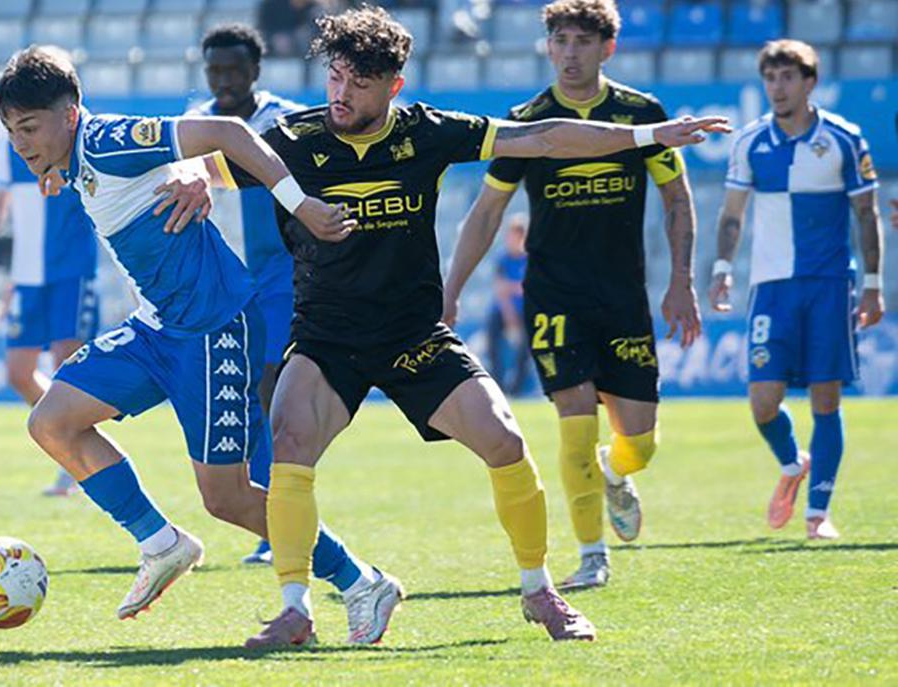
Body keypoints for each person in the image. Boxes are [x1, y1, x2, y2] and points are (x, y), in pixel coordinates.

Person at [208, 5, 725, 647]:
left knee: (505, 442)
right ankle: (295, 609)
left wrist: (648, 137)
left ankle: (541, 593)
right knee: (288, 445)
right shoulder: (291, 139)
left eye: (358, 83)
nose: (341, 94)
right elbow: (207, 166)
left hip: (412, 336)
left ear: (393, 86)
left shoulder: (426, 132)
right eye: (335, 77)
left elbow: (542, 138)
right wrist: (183, 180)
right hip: (326, 339)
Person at [0, 46, 401, 646]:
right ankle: (161, 544)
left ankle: (363, 581)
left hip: (213, 331)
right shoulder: (76, 155)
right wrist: (60, 166)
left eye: (30, 127)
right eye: (11, 131)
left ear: (72, 113)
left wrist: (299, 203)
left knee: (229, 498)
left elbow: (228, 132)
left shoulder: (107, 140)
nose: (21, 142)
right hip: (159, 328)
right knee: (52, 422)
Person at [443, 0, 701, 592]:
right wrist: (451, 291)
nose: (569, 52)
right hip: (554, 295)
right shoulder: (528, 122)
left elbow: (677, 198)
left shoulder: (641, 115)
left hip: (623, 295)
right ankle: (591, 555)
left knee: (638, 441)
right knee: (575, 423)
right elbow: (486, 213)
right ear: (548, 46)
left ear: (607, 48)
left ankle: (616, 471)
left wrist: (681, 279)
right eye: (559, 40)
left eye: (582, 41)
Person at [709, 40, 885, 540]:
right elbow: (732, 214)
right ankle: (792, 463)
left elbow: (865, 214)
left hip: (830, 284)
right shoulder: (750, 143)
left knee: (825, 400)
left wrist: (872, 284)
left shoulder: (844, 139)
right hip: (772, 287)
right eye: (770, 78)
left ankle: (817, 514)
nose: (777, 88)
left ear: (809, 83)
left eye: (787, 78)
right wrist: (723, 266)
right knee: (763, 402)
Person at [189, 23, 305, 566]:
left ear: (255, 71)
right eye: (216, 70)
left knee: (268, 385)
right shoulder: (195, 125)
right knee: (244, 394)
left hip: (278, 273)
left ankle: (276, 519)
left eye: (235, 70)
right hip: (223, 278)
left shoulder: (282, 120)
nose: (226, 80)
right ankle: (273, 511)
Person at [0, 48, 102, 497]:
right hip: (28, 274)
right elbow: (0, 200)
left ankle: (78, 461)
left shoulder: (79, 140)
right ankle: (78, 444)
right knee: (18, 372)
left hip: (71, 269)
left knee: (67, 371)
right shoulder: (15, 145)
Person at [487, 213, 531, 396]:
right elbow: (500, 290)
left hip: (526, 310)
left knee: (526, 349)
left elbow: (528, 287)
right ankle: (497, 385)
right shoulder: (503, 259)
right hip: (504, 310)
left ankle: (517, 389)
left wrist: (511, 287)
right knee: (492, 340)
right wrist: (509, 314)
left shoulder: (530, 259)